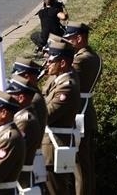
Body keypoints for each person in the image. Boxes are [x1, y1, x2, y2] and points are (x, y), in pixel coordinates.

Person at [62, 23, 102, 195]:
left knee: (80, 168)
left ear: (78, 38)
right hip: (85, 114)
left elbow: (65, 80)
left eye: (68, 40)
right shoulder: (92, 56)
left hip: (80, 116)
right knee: (85, 166)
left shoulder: (81, 59)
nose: (66, 44)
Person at [41, 35, 81, 195]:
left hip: (54, 147)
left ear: (63, 63)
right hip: (49, 147)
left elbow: (47, 114)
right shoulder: (59, 80)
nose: (47, 64)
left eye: (51, 61)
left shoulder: (67, 87)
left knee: (55, 190)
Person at [5, 73, 47, 192]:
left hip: (21, 180)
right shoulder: (22, 116)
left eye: (11, 95)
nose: (8, 98)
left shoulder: (24, 121)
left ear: (21, 98)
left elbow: (13, 153)